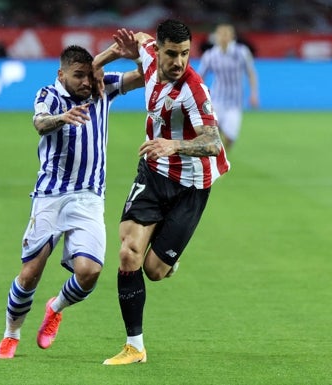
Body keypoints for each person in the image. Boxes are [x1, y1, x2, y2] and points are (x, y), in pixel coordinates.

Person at [0, 43, 144, 359]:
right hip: (50, 196)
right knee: (31, 272)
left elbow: (145, 77)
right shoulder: (49, 95)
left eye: (89, 75)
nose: (87, 82)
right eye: (79, 76)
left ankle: (56, 306)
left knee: (89, 272)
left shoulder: (104, 86)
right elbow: (40, 123)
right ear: (61, 74)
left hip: (89, 197)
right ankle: (11, 334)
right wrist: (63, 117)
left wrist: (129, 53)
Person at [101, 19, 230, 365]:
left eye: (185, 54)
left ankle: (168, 258)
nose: (179, 61)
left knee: (155, 270)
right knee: (128, 253)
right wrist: (119, 53)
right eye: (172, 53)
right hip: (154, 171)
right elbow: (140, 38)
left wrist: (174, 145)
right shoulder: (146, 53)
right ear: (157, 50)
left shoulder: (194, 89)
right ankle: (135, 346)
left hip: (191, 185)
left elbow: (213, 141)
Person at [197, 23, 259, 152]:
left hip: (235, 102)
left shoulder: (241, 52)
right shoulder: (210, 55)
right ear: (216, 36)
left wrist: (254, 94)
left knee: (230, 136)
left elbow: (251, 73)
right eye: (221, 34)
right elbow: (200, 77)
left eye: (226, 34)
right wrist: (197, 96)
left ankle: (224, 152)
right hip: (216, 99)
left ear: (232, 36)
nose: (223, 37)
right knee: (213, 131)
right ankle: (217, 156)